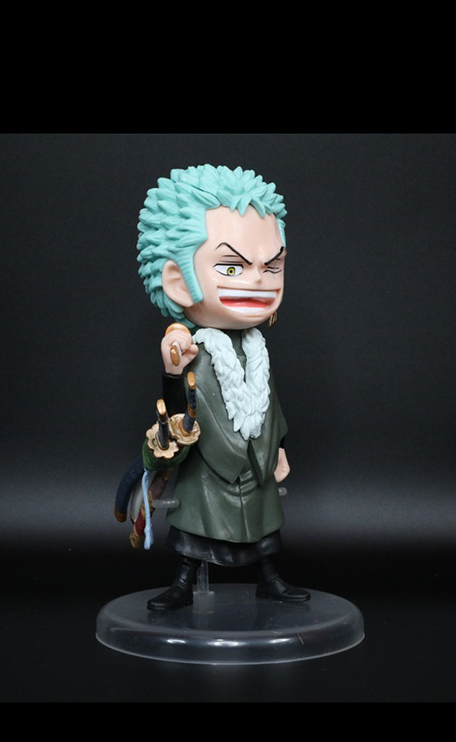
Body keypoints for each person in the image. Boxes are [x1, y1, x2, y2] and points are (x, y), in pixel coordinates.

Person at [135, 164, 310, 611]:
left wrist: (280, 446)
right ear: (177, 280)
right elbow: (177, 412)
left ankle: (269, 578)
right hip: (208, 461)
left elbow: (270, 404)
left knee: (264, 524)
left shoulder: (256, 348)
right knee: (196, 525)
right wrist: (172, 373)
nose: (258, 280)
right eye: (232, 267)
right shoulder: (190, 348)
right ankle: (183, 582)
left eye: (272, 266)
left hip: (256, 456)